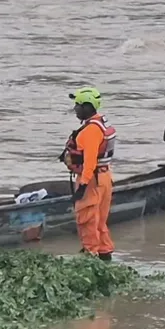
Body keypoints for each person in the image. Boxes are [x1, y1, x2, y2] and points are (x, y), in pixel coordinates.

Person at [60, 87, 116, 262]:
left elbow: (90, 160)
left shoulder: (91, 130)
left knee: (87, 219)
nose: (75, 109)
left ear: (87, 106)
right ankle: (105, 252)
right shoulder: (100, 124)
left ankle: (90, 255)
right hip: (104, 177)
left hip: (92, 179)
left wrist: (82, 185)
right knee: (99, 221)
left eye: (77, 105)